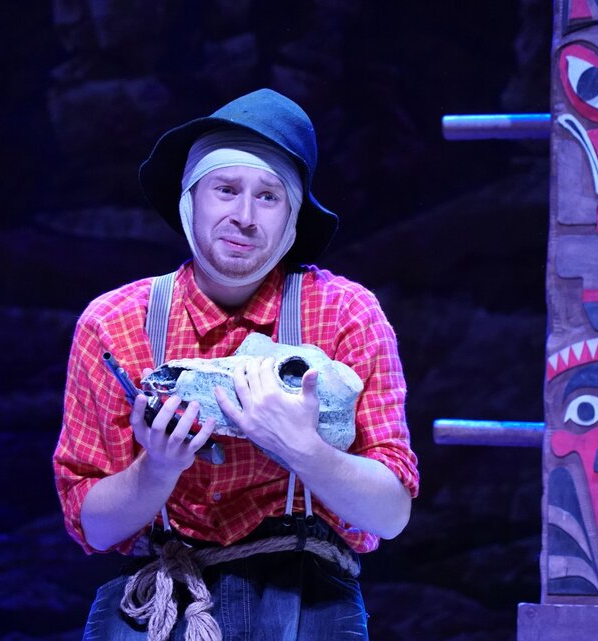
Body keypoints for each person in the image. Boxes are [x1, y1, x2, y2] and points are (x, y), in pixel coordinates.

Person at [53, 88, 419, 641]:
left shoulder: (345, 313)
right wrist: (158, 467)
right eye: (226, 189)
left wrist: (304, 450)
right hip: (164, 589)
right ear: (190, 200)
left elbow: (389, 514)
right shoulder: (114, 323)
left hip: (304, 592)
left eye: (269, 197)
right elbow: (95, 527)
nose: (244, 217)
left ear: (292, 217)